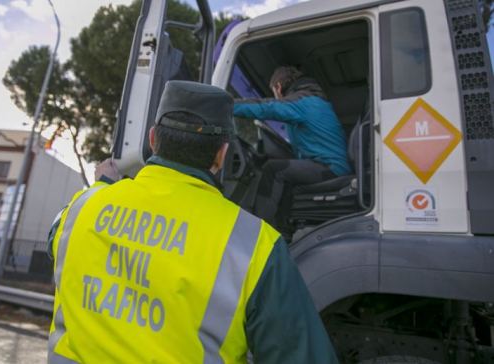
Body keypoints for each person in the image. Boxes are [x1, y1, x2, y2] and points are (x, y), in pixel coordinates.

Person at [47, 80, 338, 363]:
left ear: (152, 139)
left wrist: (105, 188)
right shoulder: (258, 246)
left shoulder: (83, 208)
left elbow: (56, 240)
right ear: (222, 154)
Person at [233, 66, 352, 229]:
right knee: (285, 173)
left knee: (273, 169)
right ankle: (283, 228)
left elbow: (265, 107)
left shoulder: (301, 102)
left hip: (331, 168)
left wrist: (227, 105)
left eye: (274, 92)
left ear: (278, 87)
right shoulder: (313, 101)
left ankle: (257, 228)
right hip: (332, 166)